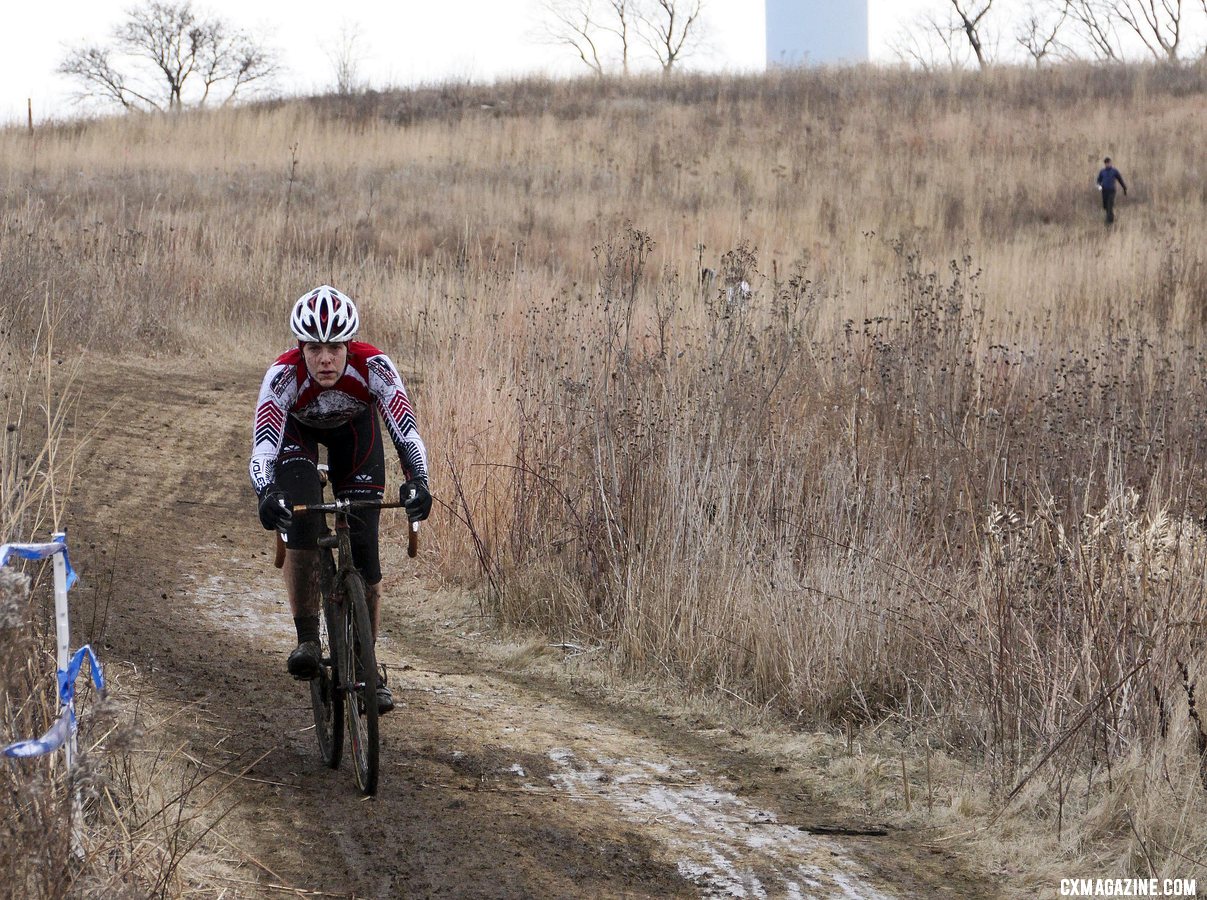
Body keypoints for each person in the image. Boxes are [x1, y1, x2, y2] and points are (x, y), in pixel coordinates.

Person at [249, 285, 431, 714]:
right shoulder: (283, 376)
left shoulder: (375, 368)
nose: (325, 359)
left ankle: (366, 667)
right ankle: (308, 638)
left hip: (356, 437)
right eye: (315, 348)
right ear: (301, 347)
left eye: (334, 347)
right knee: (303, 526)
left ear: (349, 345)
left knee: (366, 552)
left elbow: (405, 432)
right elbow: (262, 450)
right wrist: (266, 493)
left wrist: (418, 480)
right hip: (298, 439)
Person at [1096, 157, 1128, 225]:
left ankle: (1108, 222)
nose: (1108, 164)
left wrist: (1124, 188)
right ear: (1105, 164)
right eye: (1107, 163)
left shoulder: (1114, 171)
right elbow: (1098, 181)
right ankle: (1111, 218)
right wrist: (1099, 187)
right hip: (1104, 191)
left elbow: (1120, 180)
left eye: (1109, 163)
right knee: (1105, 207)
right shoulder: (1102, 172)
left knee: (1109, 205)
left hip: (1112, 191)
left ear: (1111, 163)